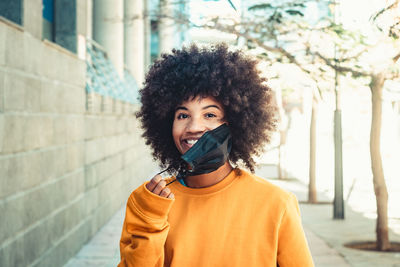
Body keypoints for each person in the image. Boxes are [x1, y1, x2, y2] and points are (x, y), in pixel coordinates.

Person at [118, 43, 314, 267]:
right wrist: (151, 220)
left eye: (209, 114)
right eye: (182, 115)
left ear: (234, 124)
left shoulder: (276, 203)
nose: (194, 126)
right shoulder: (146, 202)